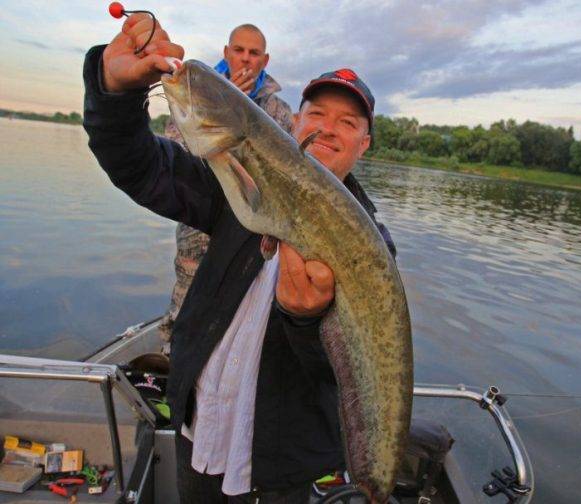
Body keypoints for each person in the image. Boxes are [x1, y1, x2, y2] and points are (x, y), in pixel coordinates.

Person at [83, 13, 396, 504]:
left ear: (365, 144)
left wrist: (303, 319)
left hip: (277, 470)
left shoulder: (372, 248)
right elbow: (140, 166)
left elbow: (343, 376)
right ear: (294, 122)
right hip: (197, 434)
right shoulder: (235, 187)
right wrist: (113, 93)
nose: (329, 129)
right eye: (317, 114)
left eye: (348, 122)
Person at [159, 24, 293, 350]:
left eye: (254, 53)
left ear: (265, 59)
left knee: (236, 307)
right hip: (198, 218)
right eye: (239, 50)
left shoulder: (280, 111)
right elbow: (174, 149)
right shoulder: (196, 88)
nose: (246, 58)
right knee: (186, 296)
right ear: (226, 52)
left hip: (248, 225)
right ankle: (170, 362)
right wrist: (222, 103)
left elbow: (285, 173)